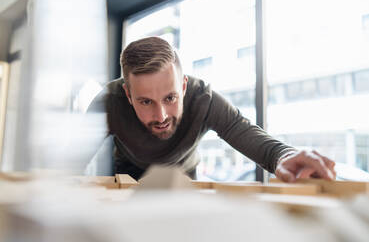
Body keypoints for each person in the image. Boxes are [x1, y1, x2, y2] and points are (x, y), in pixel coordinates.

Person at [88, 36, 336, 182]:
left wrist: (285, 157)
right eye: (145, 102)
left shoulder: (202, 98)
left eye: (170, 97)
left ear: (184, 87)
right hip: (127, 180)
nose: (161, 116)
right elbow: (67, 161)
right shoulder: (107, 102)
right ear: (128, 95)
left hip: (185, 182)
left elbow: (245, 132)